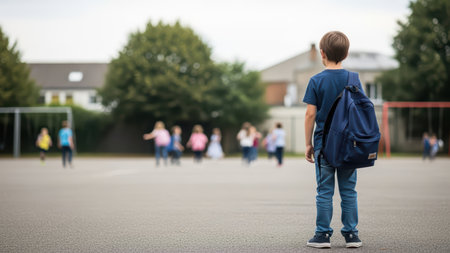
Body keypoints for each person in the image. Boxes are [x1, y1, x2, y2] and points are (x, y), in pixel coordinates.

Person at [303, 31, 363, 248]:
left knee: (324, 191)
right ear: (345, 54)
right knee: (348, 190)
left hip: (324, 144)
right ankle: (351, 235)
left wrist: (309, 143)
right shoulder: (354, 79)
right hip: (349, 145)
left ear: (322, 53)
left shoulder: (316, 80)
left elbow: (310, 114)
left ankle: (322, 235)